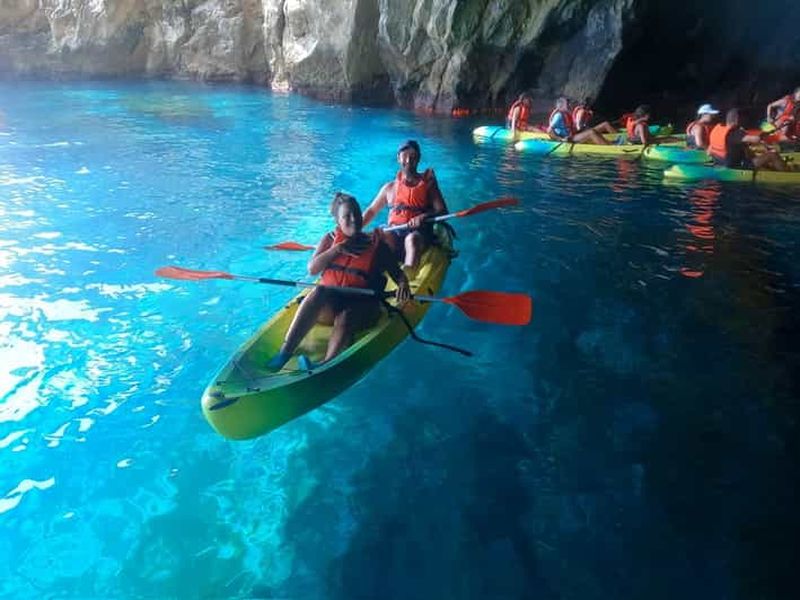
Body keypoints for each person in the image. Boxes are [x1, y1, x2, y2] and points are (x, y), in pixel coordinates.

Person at [267, 193, 411, 371]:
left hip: (362, 309)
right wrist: (338, 249)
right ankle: (285, 352)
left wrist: (404, 284)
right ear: (338, 221)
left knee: (347, 314)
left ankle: (327, 363)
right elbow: (312, 269)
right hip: (331, 308)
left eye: (357, 214)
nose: (354, 219)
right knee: (319, 291)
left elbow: (398, 275)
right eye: (347, 216)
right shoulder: (329, 240)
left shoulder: (377, 246)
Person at [362, 140, 448, 270]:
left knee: (411, 239)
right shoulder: (389, 188)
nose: (408, 160)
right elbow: (371, 211)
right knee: (378, 236)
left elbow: (442, 211)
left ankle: (407, 277)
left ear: (418, 158)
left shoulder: (428, 185)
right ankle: (368, 271)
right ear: (398, 158)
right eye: (404, 156)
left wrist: (424, 216)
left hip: (419, 235)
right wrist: (355, 228)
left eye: (413, 156)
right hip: (395, 233)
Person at [707, 108, 787, 171]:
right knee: (773, 155)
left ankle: (769, 167)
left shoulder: (718, 128)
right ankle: (786, 176)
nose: (744, 120)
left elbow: (709, 151)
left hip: (719, 162)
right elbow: (756, 139)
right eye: (742, 118)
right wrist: (764, 134)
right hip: (736, 166)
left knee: (750, 152)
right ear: (737, 119)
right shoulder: (735, 132)